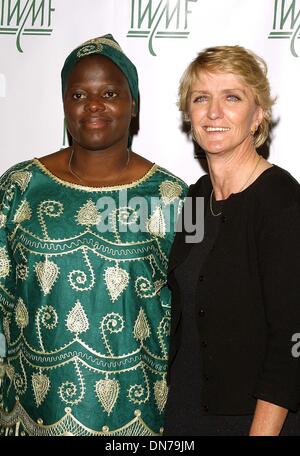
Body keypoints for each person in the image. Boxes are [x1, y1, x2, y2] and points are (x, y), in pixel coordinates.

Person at [0, 34, 187, 436]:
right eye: (79, 94)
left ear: (132, 104)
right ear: (65, 103)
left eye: (110, 92)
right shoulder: (19, 186)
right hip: (32, 413)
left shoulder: (173, 196)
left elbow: (194, 315)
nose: (94, 105)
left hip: (137, 418)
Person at [164, 45, 300, 436]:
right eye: (201, 98)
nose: (213, 113)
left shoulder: (281, 203)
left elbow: (291, 341)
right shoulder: (194, 198)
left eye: (232, 98)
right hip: (185, 416)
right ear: (189, 115)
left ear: (258, 116)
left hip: (258, 424)